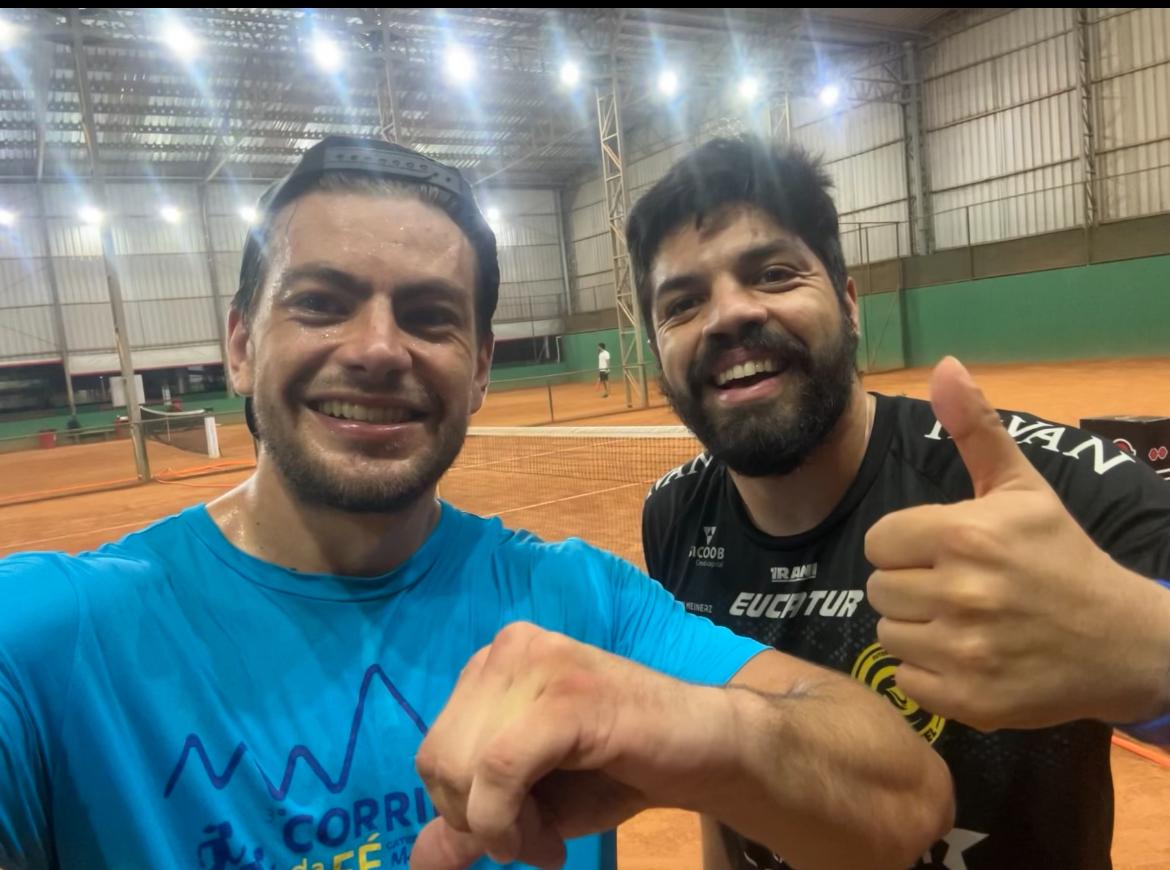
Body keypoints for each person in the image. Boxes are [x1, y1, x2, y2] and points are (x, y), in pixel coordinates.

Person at [0, 137, 953, 870]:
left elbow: (908, 795)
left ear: (482, 368)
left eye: (429, 317)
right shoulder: (44, 643)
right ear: (242, 346)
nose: (379, 349)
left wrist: (686, 726)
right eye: (322, 302)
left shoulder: (581, 607)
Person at [628, 135, 1170, 870]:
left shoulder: (1038, 489)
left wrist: (1145, 644)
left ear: (850, 306)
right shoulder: (674, 517)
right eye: (683, 303)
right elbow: (723, 800)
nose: (727, 314)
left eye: (774, 273)